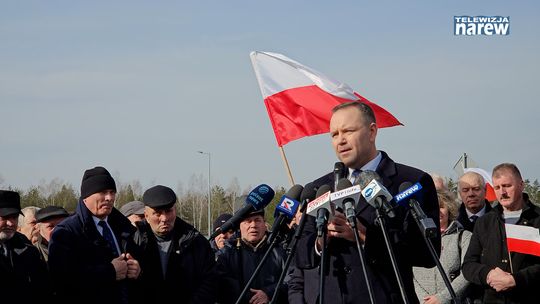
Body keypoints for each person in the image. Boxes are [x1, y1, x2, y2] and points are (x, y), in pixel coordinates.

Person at [290, 101, 441, 304]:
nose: (340, 141)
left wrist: (364, 236)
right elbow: (300, 254)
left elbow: (426, 254)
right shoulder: (320, 188)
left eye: (348, 131)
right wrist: (320, 240)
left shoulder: (411, 181)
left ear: (372, 132)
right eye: (334, 135)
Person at [48, 166, 142, 304]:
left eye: (112, 192)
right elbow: (63, 280)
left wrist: (137, 270)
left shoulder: (124, 227)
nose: (109, 198)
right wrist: (109, 272)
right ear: (86, 197)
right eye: (103, 192)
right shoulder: (67, 232)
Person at [462, 163, 540, 303]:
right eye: (497, 187)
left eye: (507, 186)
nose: (502, 192)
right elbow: (468, 265)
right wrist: (488, 274)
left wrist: (516, 279)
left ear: (521, 185)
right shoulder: (484, 222)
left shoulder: (537, 219)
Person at [133, 185, 218, 303]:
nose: (164, 218)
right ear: (146, 216)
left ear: (175, 210)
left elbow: (210, 282)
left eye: (168, 211)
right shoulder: (134, 241)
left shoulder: (195, 242)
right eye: (157, 213)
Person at [217, 208, 288, 304]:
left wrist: (269, 293)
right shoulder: (227, 254)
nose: (253, 225)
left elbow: (291, 280)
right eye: (248, 221)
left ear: (264, 223)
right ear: (239, 226)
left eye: (257, 220)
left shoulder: (280, 250)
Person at [413, 190, 472, 304]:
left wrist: (442, 298)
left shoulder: (464, 237)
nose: (438, 211)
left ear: (449, 209)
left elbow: (467, 273)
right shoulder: (416, 241)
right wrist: (424, 300)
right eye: (433, 207)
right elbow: (411, 275)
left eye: (441, 207)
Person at [0, 190, 51, 301]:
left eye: (14, 217)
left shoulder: (27, 248)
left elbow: (43, 289)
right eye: (4, 217)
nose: (11, 223)